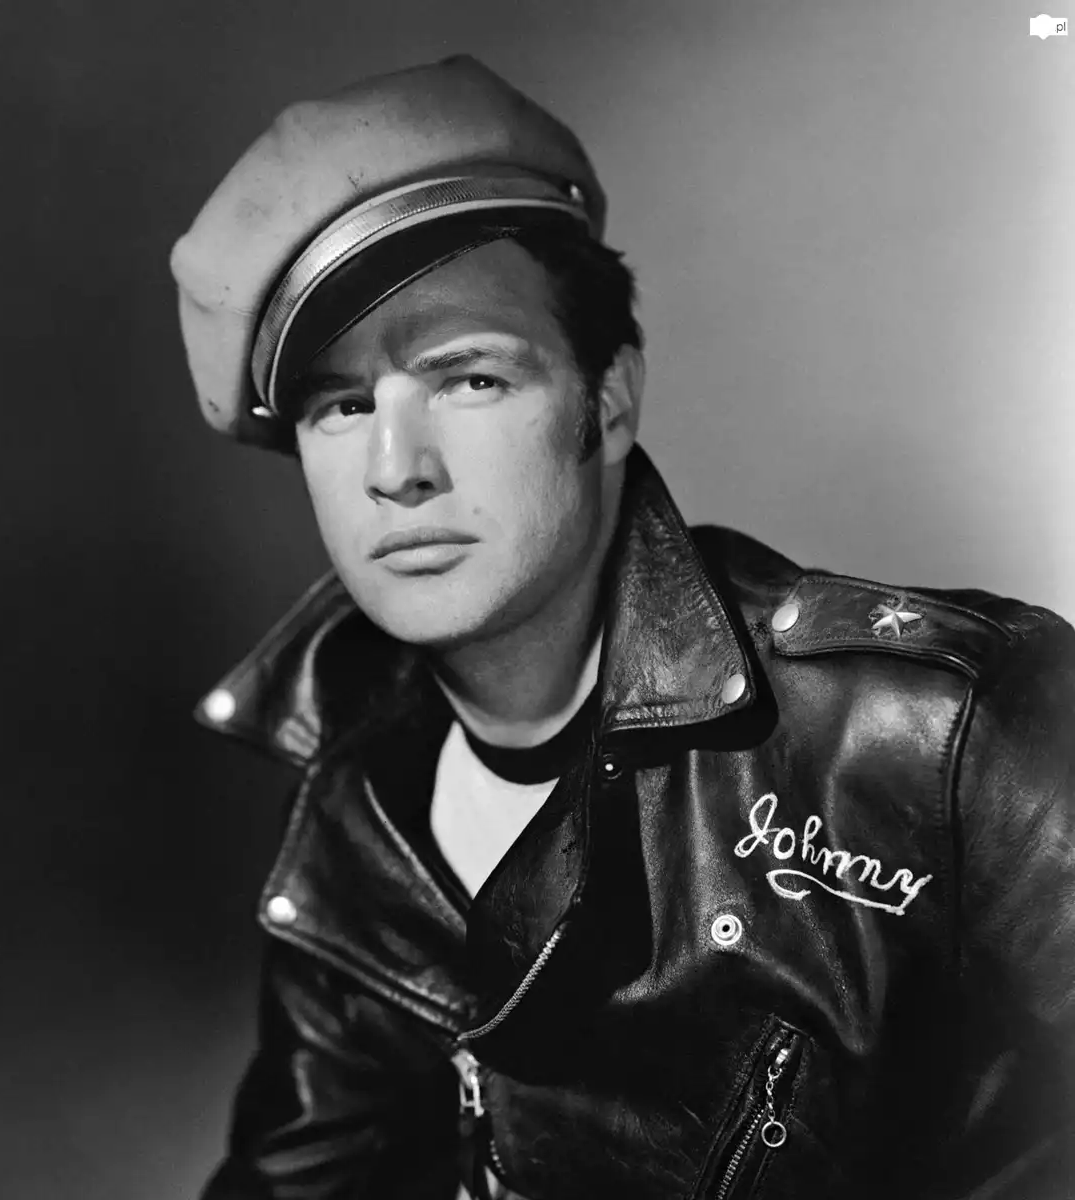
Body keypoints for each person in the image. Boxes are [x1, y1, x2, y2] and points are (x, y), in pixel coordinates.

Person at [168, 56, 1075, 1200]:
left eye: (469, 379)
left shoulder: (940, 727)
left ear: (606, 402)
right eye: (343, 406)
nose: (396, 470)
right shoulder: (358, 810)